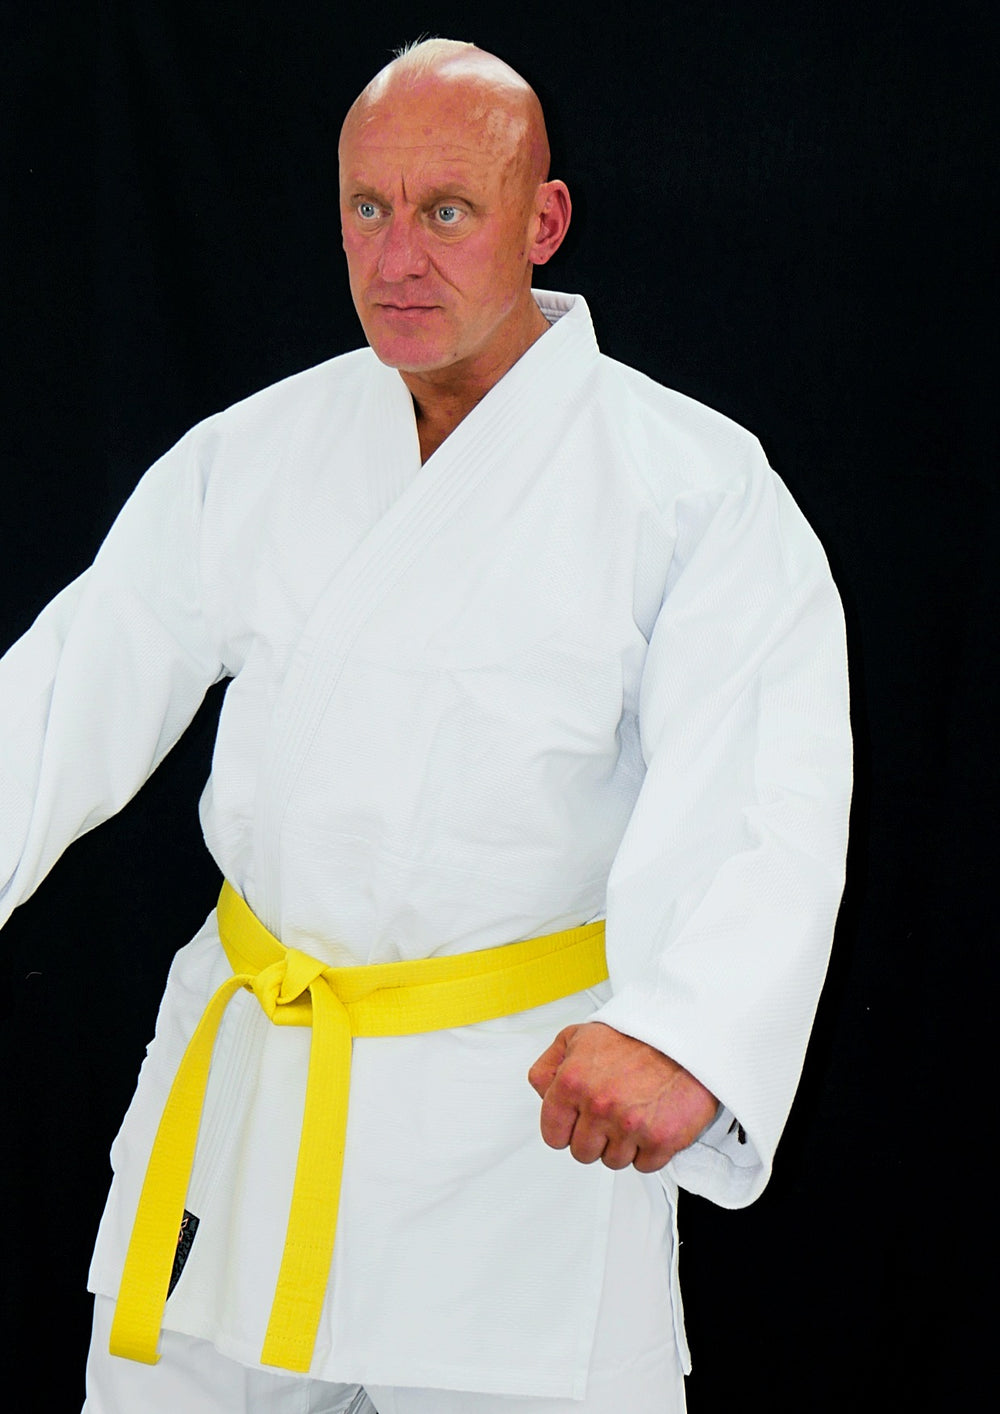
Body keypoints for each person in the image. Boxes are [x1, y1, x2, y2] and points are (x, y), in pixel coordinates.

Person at [0, 37, 852, 1414]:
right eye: (368, 208)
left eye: (447, 210)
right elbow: (58, 701)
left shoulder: (691, 486)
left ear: (543, 219)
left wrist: (690, 1030)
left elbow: (766, 791)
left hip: (517, 1133)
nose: (397, 257)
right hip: (252, 1103)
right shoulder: (252, 454)